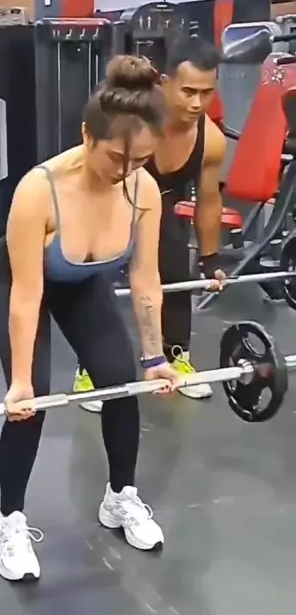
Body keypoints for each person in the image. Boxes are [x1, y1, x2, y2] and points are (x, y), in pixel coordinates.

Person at [0, 55, 180, 582]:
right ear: (87, 135)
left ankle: (120, 497)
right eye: (117, 156)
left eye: (140, 160)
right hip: (23, 279)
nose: (126, 171)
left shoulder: (142, 191)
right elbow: (27, 294)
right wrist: (21, 383)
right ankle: (11, 520)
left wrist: (155, 356)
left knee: (120, 383)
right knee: (33, 403)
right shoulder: (39, 190)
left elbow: (145, 277)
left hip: (82, 282)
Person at [74, 35, 227, 411]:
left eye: (206, 93)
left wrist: (210, 260)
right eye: (188, 91)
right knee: (97, 277)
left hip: (160, 204)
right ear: (165, 82)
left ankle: (176, 356)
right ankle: (90, 368)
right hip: (109, 195)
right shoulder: (130, 120)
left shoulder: (211, 140)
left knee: (174, 263)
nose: (197, 103)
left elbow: (209, 200)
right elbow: (90, 174)